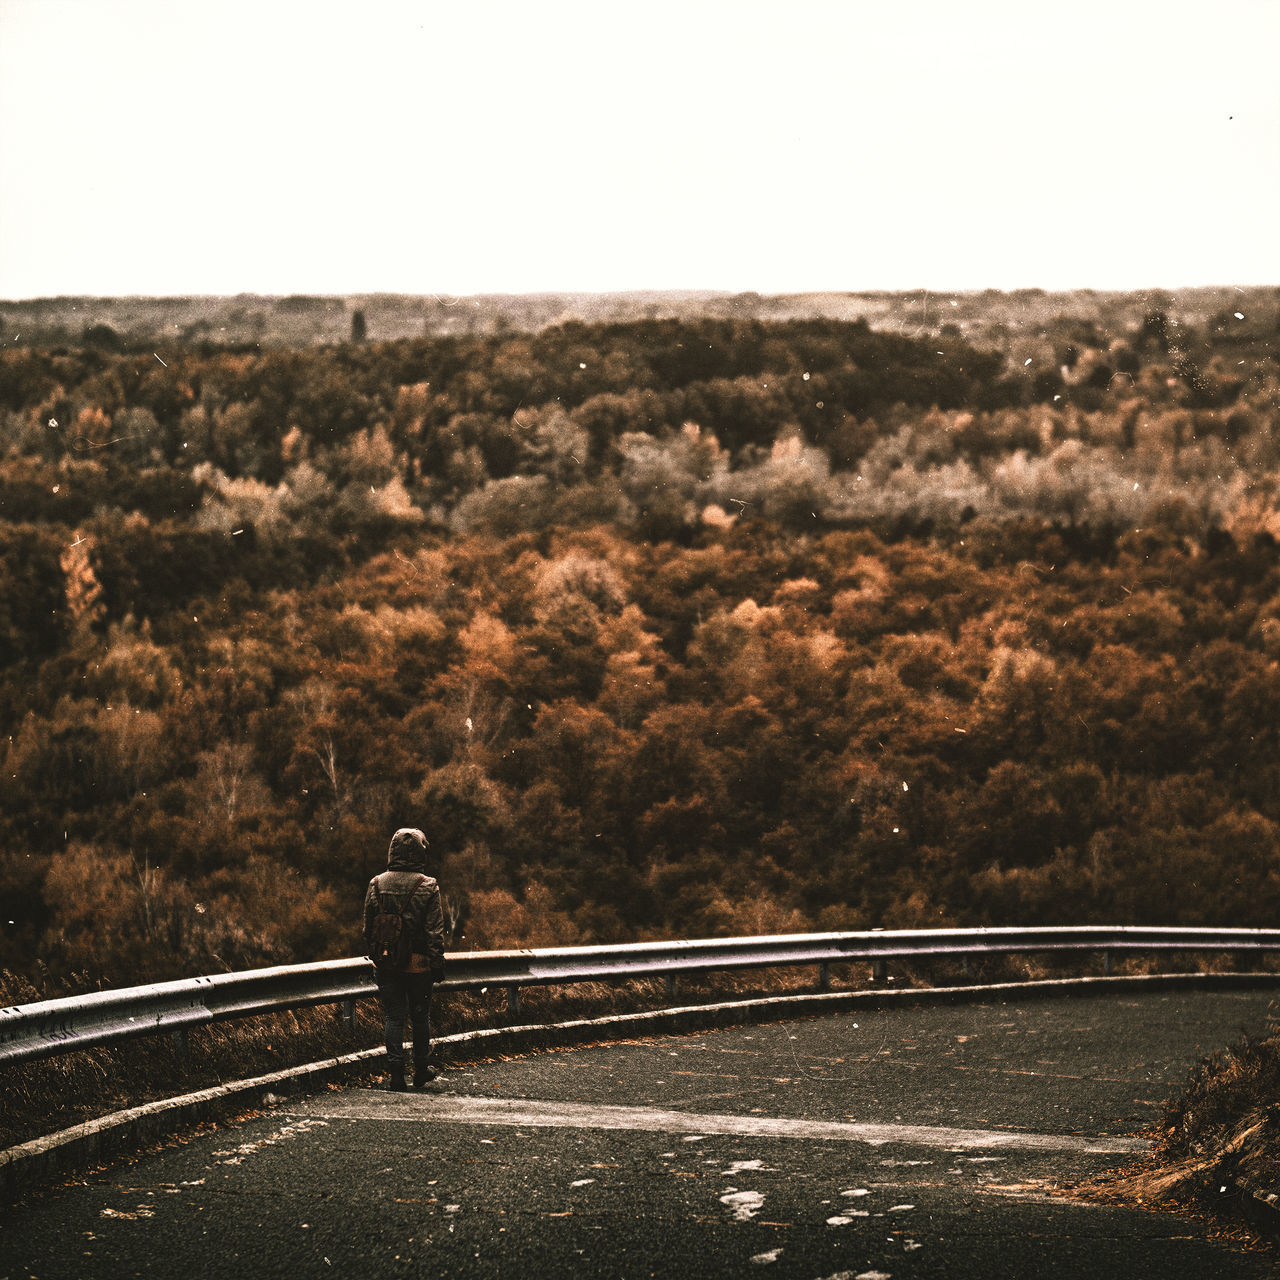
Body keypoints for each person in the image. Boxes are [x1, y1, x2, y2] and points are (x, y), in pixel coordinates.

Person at [363, 827, 446, 1091]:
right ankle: (421, 1070)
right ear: (420, 852)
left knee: (393, 1017)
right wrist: (437, 964)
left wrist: (379, 955)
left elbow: (367, 928)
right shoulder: (428, 885)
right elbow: (435, 931)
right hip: (419, 966)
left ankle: (396, 1075)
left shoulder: (376, 883)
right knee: (420, 1017)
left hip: (387, 963)